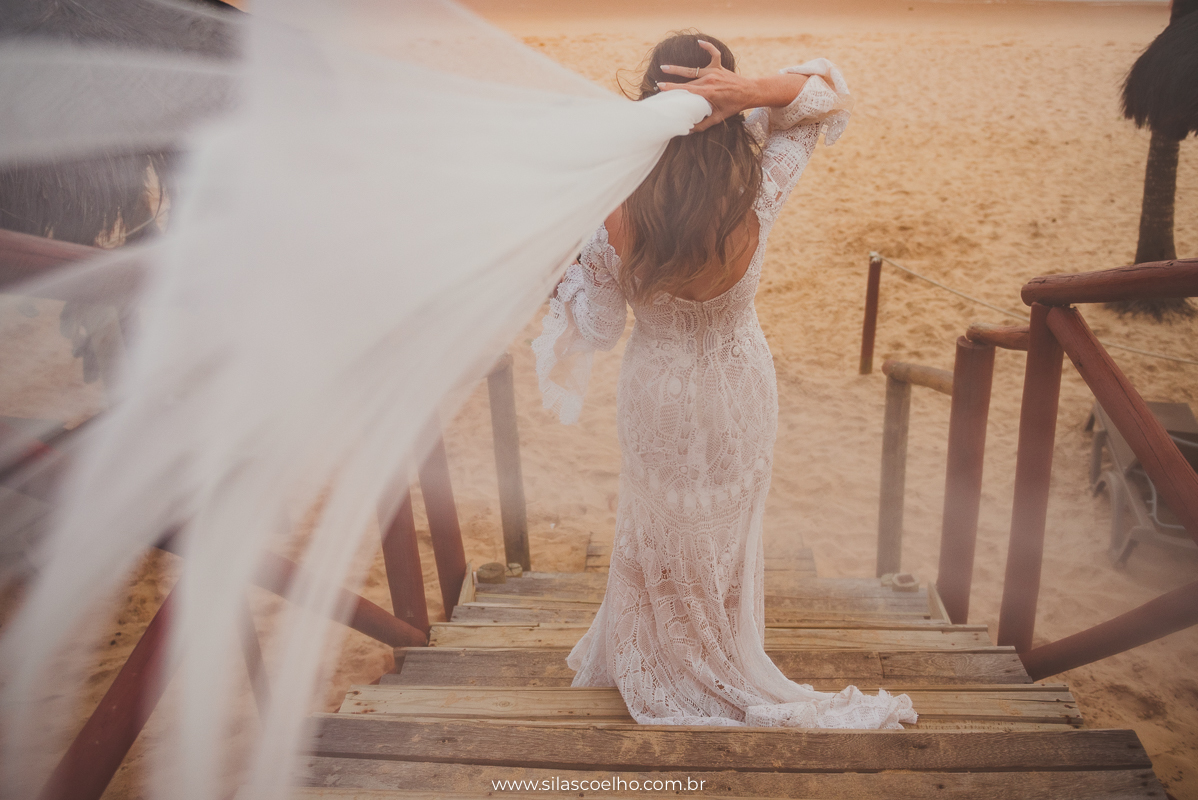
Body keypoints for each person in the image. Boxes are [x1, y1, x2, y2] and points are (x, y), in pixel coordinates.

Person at [533, 32, 916, 729]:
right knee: (727, 536)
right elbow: (827, 91)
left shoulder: (616, 203)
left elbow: (595, 331)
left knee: (657, 526)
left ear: (648, 104)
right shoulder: (760, 179)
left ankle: (661, 657)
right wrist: (748, 94)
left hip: (657, 391)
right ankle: (723, 653)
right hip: (739, 383)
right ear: (722, 102)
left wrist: (563, 283)